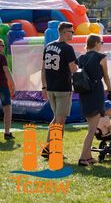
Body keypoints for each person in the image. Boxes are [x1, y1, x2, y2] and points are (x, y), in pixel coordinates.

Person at [41, 22, 78, 158]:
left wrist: (44, 86)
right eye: (71, 31)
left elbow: (43, 68)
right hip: (63, 88)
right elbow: (73, 69)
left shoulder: (48, 46)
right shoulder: (68, 48)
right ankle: (55, 151)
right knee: (60, 122)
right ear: (64, 32)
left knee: (56, 119)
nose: (73, 33)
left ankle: (47, 149)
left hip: (50, 88)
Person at [77, 34, 111, 166]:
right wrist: (110, 88)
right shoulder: (100, 57)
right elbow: (106, 76)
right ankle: (82, 158)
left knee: (91, 126)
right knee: (92, 129)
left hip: (84, 93)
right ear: (97, 43)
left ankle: (89, 157)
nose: (101, 45)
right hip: (96, 93)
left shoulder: (81, 58)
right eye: (101, 42)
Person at [0, 38, 15, 140]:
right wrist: (12, 84)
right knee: (7, 109)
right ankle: (7, 132)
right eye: (2, 45)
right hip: (2, 86)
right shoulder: (1, 57)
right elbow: (6, 71)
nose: (3, 47)